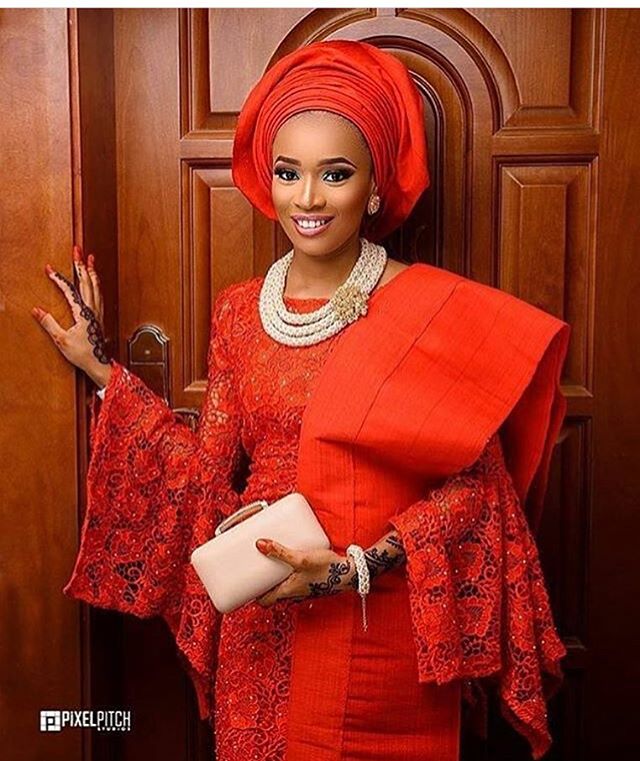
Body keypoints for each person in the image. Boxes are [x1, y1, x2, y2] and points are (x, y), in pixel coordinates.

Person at [32, 40, 570, 761]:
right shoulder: (238, 311)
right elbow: (205, 474)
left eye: (335, 174)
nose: (307, 199)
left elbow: (478, 491)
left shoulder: (430, 310)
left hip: (380, 619)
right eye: (289, 172)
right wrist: (104, 370)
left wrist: (355, 567)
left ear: (374, 188)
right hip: (264, 619)